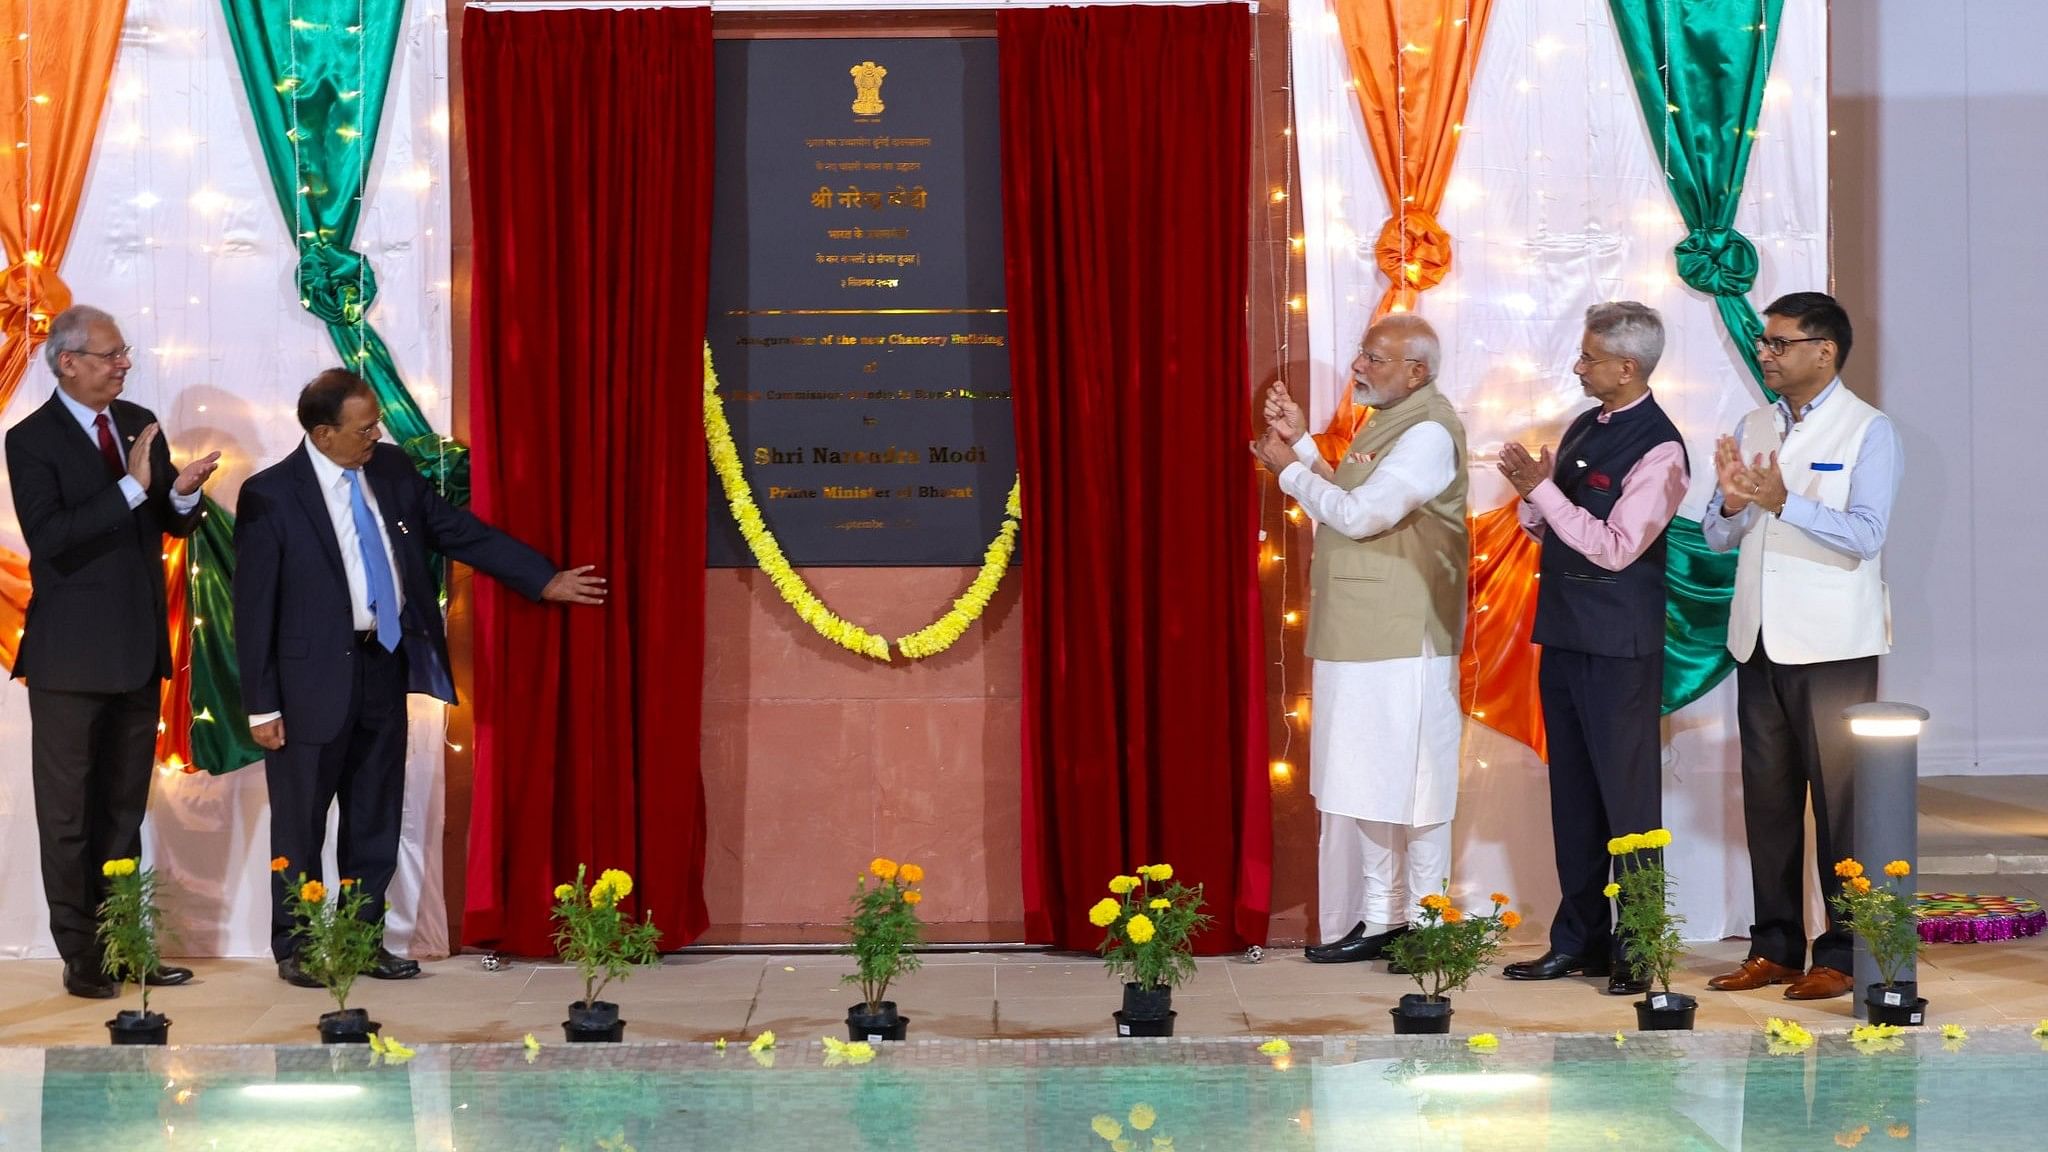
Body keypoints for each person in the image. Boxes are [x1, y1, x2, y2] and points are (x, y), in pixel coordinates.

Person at [234, 369, 606, 985]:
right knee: (300, 824)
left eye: (375, 422)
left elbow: (456, 531)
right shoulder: (270, 494)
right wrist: (261, 704)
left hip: (382, 667)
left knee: (374, 815)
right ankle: (297, 946)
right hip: (306, 687)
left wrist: (541, 578)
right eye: (363, 428)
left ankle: (361, 939)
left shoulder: (391, 470)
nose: (375, 435)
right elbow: (254, 607)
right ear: (323, 434)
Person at [7, 305, 220, 998]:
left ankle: (127, 946)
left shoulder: (138, 420)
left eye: (123, 353)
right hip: (69, 661)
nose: (123, 364)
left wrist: (180, 496)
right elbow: (53, 537)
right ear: (67, 362)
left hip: (136, 650)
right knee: (68, 816)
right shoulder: (30, 439)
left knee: (123, 814)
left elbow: (162, 523)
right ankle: (82, 958)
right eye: (109, 355)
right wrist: (132, 484)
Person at [1252, 314, 1470, 964]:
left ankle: (1429, 927)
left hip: (1407, 632)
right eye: (1362, 354)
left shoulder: (1430, 432)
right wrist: (1309, 447)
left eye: (1375, 359)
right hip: (1361, 630)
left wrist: (1289, 471)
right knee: (1370, 774)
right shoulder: (1389, 421)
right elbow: (1357, 490)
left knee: (1421, 781)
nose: (1359, 367)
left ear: (1416, 371)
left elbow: (1362, 513)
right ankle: (1381, 918)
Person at [1701, 292, 1897, 1001]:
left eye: (1780, 343)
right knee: (1770, 804)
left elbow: (1868, 533)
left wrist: (1786, 502)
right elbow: (1718, 535)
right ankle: (1776, 946)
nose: (1767, 354)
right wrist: (1728, 503)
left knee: (1842, 804)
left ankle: (1842, 953)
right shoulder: (1755, 423)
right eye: (1764, 344)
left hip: (1832, 645)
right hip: (1757, 640)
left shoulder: (1868, 431)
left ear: (1826, 350)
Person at [1496, 302, 1688, 996]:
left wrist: (1543, 490)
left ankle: (1639, 949)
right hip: (1568, 636)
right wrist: (1533, 498)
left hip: (1619, 648)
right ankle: (1578, 940)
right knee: (1574, 799)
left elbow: (1613, 549)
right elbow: (1553, 527)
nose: (1578, 366)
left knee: (1628, 803)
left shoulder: (1662, 449)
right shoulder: (1584, 425)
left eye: (1588, 357)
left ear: (1626, 366)